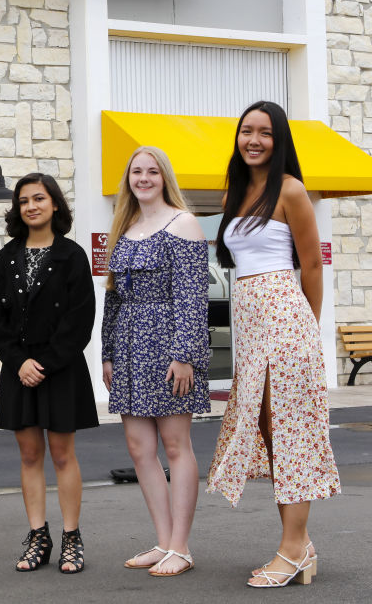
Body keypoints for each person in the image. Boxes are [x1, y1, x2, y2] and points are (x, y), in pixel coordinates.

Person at [207, 101, 340, 588]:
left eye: (264, 132)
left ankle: (292, 549)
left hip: (286, 319)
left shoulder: (291, 189)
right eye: (247, 131)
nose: (254, 140)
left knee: (290, 430)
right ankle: (298, 547)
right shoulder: (238, 192)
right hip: (250, 323)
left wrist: (307, 329)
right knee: (269, 428)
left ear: (278, 139)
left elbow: (312, 266)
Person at [0, 173, 98, 574]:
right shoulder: (6, 257)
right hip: (19, 369)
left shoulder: (73, 256)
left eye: (39, 198)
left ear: (55, 205)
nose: (31, 206)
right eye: (24, 200)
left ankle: (71, 537)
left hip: (60, 370)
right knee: (29, 455)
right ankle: (37, 535)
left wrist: (44, 363)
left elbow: (81, 319)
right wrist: (18, 362)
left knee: (63, 455)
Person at [100, 147, 210, 578]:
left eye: (151, 172)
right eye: (136, 172)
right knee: (139, 449)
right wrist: (108, 352)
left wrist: (185, 355)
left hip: (168, 347)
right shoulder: (125, 228)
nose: (143, 178)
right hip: (129, 346)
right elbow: (113, 297)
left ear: (164, 177)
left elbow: (192, 297)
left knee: (176, 446)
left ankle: (181, 546)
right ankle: (163, 541)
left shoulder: (181, 222)